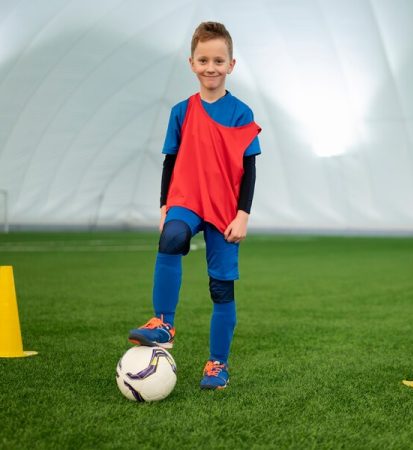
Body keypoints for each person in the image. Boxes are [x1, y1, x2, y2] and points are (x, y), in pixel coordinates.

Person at [128, 21, 261, 390]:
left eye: (219, 60)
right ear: (192, 63)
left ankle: (217, 365)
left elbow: (249, 170)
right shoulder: (181, 112)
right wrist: (164, 206)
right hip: (186, 200)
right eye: (203, 59)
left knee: (221, 289)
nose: (211, 67)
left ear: (231, 65)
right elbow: (170, 161)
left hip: (223, 211)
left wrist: (243, 214)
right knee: (171, 237)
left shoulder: (241, 113)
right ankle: (163, 323)